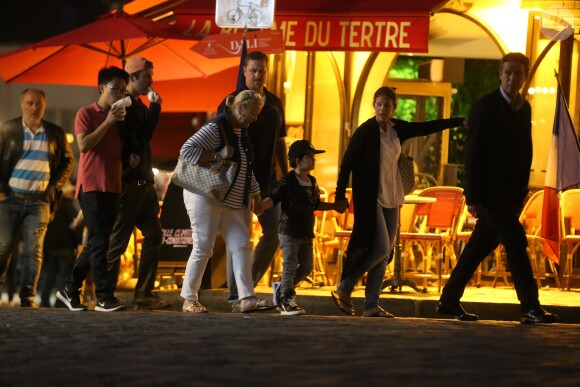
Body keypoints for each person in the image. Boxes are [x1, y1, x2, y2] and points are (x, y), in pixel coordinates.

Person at [437, 53, 558, 324]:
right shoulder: (484, 107)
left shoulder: (523, 108)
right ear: (500, 75)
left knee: (480, 245)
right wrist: (473, 197)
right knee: (516, 241)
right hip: (489, 196)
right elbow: (473, 154)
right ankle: (529, 306)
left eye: (517, 73)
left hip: (511, 195)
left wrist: (521, 190)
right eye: (507, 73)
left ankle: (448, 300)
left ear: (525, 77)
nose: (512, 78)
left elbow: (523, 150)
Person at [331, 86, 464, 318]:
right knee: (381, 247)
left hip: (393, 196)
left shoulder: (396, 129)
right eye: (379, 104)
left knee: (386, 251)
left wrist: (459, 121)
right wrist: (340, 194)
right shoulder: (365, 131)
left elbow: (427, 127)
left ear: (394, 108)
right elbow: (347, 163)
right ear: (374, 105)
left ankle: (371, 305)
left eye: (388, 105)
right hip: (371, 197)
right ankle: (346, 286)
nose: (383, 109)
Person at [180, 90, 274, 313]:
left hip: (228, 199)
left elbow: (245, 168)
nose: (255, 118)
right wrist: (218, 154)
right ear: (240, 108)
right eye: (253, 113)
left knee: (241, 243)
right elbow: (186, 151)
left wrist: (256, 195)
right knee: (203, 246)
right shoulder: (216, 128)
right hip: (205, 196)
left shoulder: (240, 131)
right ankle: (189, 298)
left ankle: (247, 298)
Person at [217, 51, 288, 307]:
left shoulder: (276, 103)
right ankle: (237, 296)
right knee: (239, 237)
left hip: (267, 182)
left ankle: (247, 283)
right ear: (244, 71)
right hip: (238, 183)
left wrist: (286, 174)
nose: (258, 75)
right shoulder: (231, 102)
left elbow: (280, 142)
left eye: (262, 70)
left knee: (273, 233)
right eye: (253, 70)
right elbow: (219, 137)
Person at [57, 66, 130, 312]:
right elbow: (85, 145)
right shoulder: (86, 113)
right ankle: (103, 296)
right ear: (102, 88)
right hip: (91, 186)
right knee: (99, 241)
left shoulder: (121, 118)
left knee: (98, 242)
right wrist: (108, 122)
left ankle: (69, 288)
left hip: (113, 185)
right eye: (115, 89)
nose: (119, 94)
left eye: (122, 90)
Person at [0, 88, 74, 308]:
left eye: (38, 104)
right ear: (22, 104)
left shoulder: (55, 133)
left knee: (34, 251)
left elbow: (68, 161)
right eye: (29, 103)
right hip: (10, 199)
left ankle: (28, 296)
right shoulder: (8, 130)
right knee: (3, 247)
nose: (34, 108)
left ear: (44, 105)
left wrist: (55, 185)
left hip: (39, 201)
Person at [106, 57, 170, 310]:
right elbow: (141, 138)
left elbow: (141, 142)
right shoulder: (125, 106)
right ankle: (105, 292)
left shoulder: (139, 105)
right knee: (118, 242)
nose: (151, 82)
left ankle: (144, 292)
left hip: (144, 184)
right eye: (147, 77)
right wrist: (156, 109)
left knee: (154, 234)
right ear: (132, 78)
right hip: (129, 185)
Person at [263, 140, 343, 315]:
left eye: (313, 157)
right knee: (290, 265)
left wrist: (333, 206)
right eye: (309, 157)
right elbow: (273, 198)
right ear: (298, 161)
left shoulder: (312, 181)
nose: (313, 160)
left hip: (306, 232)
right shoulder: (287, 181)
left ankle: (284, 288)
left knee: (306, 267)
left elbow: (315, 205)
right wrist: (261, 205)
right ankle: (286, 300)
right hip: (289, 231)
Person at [39, 181, 82, 307]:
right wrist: (77, 243)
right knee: (64, 274)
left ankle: (44, 299)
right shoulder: (68, 205)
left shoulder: (48, 205)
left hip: (50, 246)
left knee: (49, 274)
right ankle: (60, 301)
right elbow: (75, 226)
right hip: (66, 246)